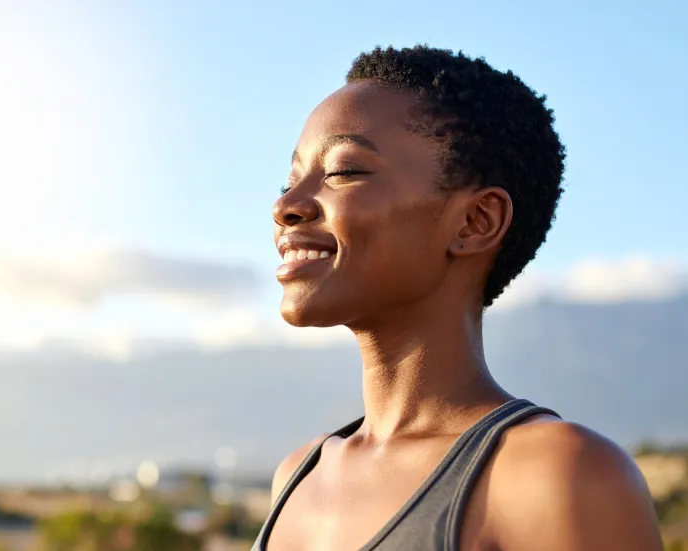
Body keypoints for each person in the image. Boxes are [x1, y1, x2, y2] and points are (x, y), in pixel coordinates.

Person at [252, 45, 662, 551]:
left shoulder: (557, 478)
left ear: (475, 222)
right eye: (290, 181)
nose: (285, 205)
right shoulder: (297, 478)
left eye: (343, 172)